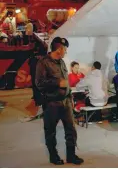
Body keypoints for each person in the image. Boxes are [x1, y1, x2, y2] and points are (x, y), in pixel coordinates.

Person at [35, 37, 83, 165]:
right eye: (65, 49)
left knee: (71, 130)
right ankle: (53, 156)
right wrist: (57, 83)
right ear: (59, 49)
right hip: (51, 103)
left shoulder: (61, 62)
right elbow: (39, 83)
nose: (66, 52)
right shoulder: (43, 63)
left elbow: (66, 82)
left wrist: (70, 96)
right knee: (50, 131)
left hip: (65, 102)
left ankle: (71, 156)